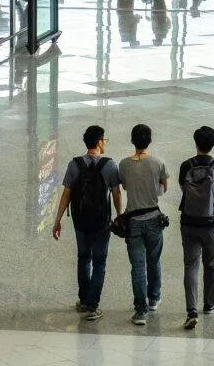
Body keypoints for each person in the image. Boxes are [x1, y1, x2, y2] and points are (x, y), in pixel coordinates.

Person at [51, 125, 123, 321]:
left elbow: (67, 193)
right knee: (99, 261)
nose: (105, 143)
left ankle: (83, 301)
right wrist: (119, 215)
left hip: (80, 220)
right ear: (99, 142)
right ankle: (92, 306)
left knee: (84, 258)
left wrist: (57, 220)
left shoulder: (74, 164)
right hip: (101, 222)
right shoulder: (109, 165)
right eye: (104, 140)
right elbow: (116, 193)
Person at [119, 124, 170, 326]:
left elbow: (124, 186)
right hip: (154, 218)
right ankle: (154, 298)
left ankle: (140, 311)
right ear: (150, 140)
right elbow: (164, 187)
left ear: (132, 140)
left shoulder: (123, 164)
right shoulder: (158, 163)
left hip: (133, 221)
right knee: (154, 260)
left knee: (138, 267)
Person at [179, 126, 214, 329]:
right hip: (211, 224)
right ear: (213, 144)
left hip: (189, 222)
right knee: (211, 264)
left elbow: (184, 188)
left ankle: (191, 310)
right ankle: (209, 304)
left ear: (195, 143)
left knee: (191, 265)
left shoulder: (185, 165)